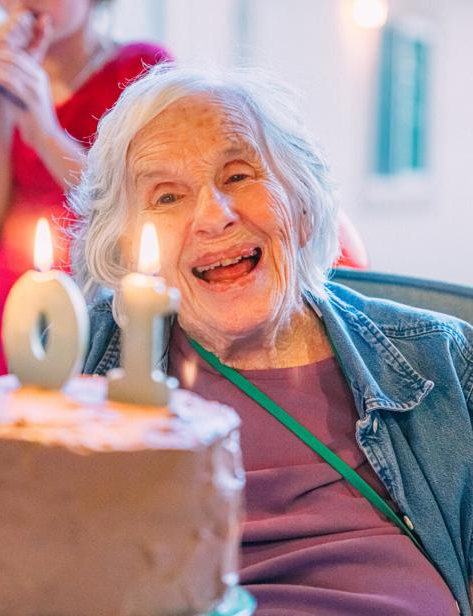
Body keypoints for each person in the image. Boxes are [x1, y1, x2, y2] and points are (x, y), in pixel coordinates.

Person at [70, 65, 473, 616]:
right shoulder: (79, 363)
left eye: (238, 176)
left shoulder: (442, 362)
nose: (214, 217)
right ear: (122, 242)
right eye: (167, 197)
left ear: (302, 203)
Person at [0, 0, 171, 378]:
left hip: (104, 334)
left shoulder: (143, 70)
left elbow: (143, 211)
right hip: (1, 328)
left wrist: (45, 132)